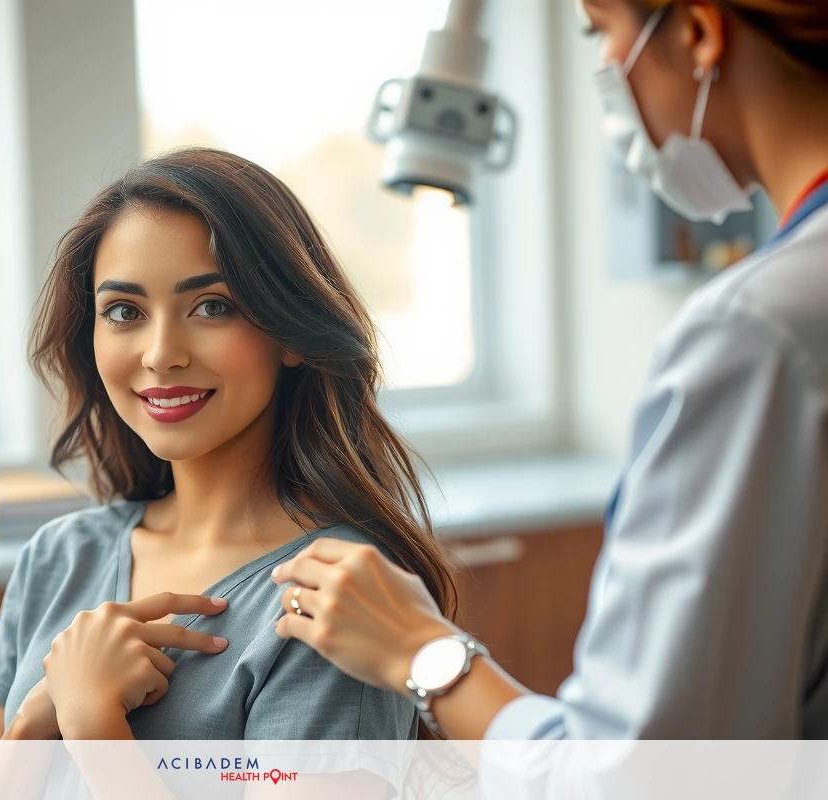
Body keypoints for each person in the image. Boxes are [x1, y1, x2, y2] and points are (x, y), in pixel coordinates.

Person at [272, 0, 828, 741]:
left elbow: (642, 780)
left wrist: (422, 652)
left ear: (698, 32)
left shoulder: (758, 332)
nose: (603, 71)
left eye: (600, 35)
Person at [0, 147, 459, 797]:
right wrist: (29, 726)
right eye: (125, 312)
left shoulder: (332, 597)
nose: (161, 354)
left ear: (292, 332)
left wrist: (91, 723)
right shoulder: (60, 556)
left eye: (212, 306)